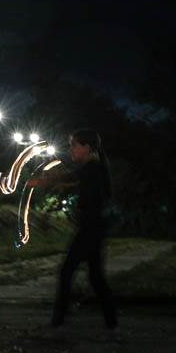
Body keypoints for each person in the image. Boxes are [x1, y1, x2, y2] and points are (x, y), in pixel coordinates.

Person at [27, 129, 117, 330]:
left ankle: (58, 320)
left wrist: (44, 181)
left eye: (74, 145)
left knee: (67, 271)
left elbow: (71, 176)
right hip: (94, 227)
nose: (71, 149)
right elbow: (73, 180)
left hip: (90, 228)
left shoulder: (93, 167)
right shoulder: (95, 167)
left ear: (86, 147)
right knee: (95, 277)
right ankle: (111, 321)